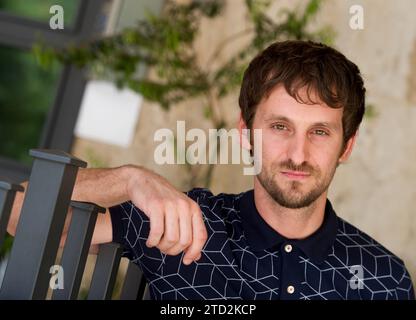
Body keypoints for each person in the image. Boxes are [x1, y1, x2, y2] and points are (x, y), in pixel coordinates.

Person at [8, 40, 415, 300]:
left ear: (347, 145)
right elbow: (21, 216)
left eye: (320, 132)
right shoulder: (182, 224)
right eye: (279, 127)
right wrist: (130, 180)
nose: (298, 153)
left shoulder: (385, 281)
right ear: (246, 132)